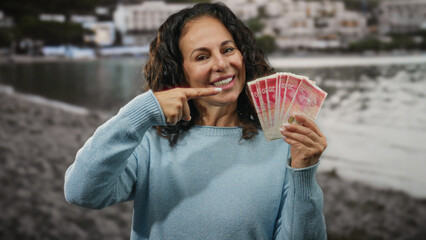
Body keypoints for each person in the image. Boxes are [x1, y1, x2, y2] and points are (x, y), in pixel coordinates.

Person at [64, 2, 327, 240]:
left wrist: (304, 172)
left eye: (228, 49)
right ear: (179, 72)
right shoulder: (150, 141)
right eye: (202, 57)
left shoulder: (280, 142)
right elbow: (82, 192)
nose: (222, 64)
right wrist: (141, 112)